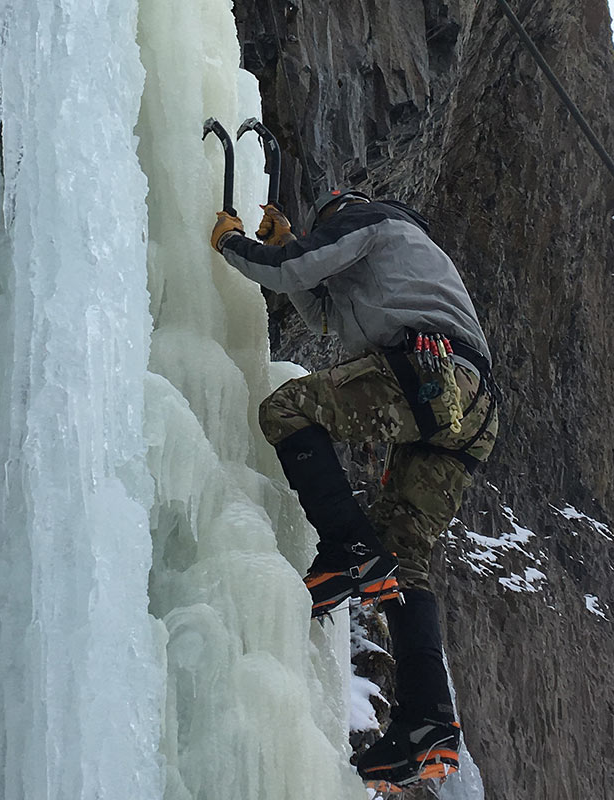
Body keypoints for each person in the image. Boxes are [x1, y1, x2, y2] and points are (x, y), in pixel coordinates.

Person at [209, 189, 500, 791]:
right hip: (471, 412)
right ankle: (428, 721)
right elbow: (320, 309)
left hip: (428, 372)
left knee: (288, 409)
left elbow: (294, 269)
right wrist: (284, 246)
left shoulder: (376, 221)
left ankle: (349, 548)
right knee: (407, 559)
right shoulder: (404, 273)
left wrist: (234, 245)